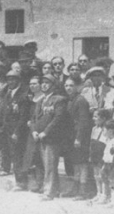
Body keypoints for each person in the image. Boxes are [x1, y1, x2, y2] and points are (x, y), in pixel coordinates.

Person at [31, 73, 70, 201]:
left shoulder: (59, 100)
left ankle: (49, 192)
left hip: (52, 138)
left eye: (47, 82)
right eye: (42, 82)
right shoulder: (41, 100)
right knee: (44, 165)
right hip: (39, 137)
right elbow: (34, 118)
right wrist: (34, 131)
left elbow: (58, 119)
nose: (44, 85)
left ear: (54, 85)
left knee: (50, 166)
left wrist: (45, 132)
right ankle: (52, 189)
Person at [0, 69, 30, 189]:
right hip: (6, 129)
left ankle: (21, 182)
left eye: (13, 79)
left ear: (18, 81)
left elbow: (23, 116)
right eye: (9, 79)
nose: (10, 82)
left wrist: (17, 132)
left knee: (18, 156)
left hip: (17, 131)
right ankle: (18, 180)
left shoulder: (23, 96)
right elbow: (2, 113)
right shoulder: (8, 94)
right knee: (10, 154)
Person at [63, 77, 92, 199]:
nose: (68, 88)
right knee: (75, 164)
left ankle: (83, 191)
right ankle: (75, 189)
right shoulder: (70, 100)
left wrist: (79, 138)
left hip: (80, 137)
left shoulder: (80, 100)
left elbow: (83, 121)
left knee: (82, 164)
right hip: (71, 136)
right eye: (66, 85)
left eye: (71, 85)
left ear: (77, 87)